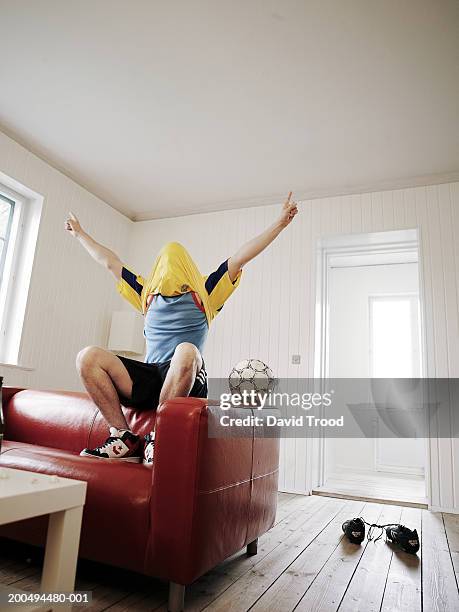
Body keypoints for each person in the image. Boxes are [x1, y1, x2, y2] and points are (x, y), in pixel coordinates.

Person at [65, 192, 298, 462]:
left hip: (185, 377)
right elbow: (110, 262)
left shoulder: (207, 290)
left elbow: (240, 258)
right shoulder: (145, 293)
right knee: (88, 356)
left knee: (186, 350)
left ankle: (158, 437)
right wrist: (80, 233)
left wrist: (280, 223)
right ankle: (123, 437)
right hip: (149, 377)